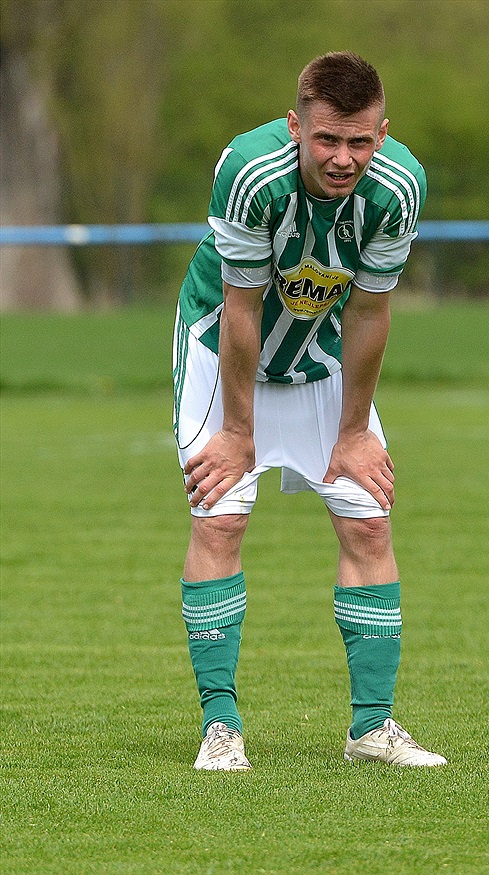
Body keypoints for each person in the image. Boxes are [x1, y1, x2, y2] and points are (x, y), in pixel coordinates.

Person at [173, 51, 446, 770]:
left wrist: (354, 432)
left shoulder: (400, 188)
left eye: (359, 141)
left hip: (322, 351)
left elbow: (369, 312)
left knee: (367, 517)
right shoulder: (250, 173)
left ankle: (371, 729)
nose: (342, 157)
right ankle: (221, 728)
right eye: (326, 139)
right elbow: (239, 308)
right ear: (295, 127)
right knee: (222, 515)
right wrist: (239, 433)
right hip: (222, 346)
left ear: (382, 135)